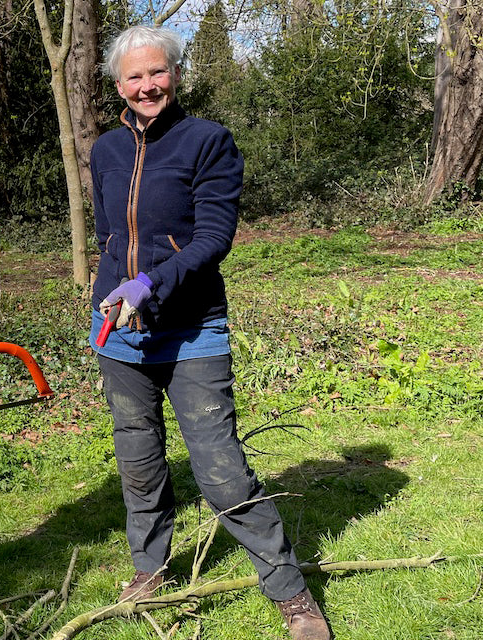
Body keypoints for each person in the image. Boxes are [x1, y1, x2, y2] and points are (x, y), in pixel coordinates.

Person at [88, 26, 330, 640]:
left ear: (175, 74)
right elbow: (109, 237)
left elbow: (212, 239)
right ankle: (151, 569)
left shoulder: (208, 142)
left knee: (221, 470)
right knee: (138, 459)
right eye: (134, 77)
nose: (147, 86)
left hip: (192, 329)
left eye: (157, 72)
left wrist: (149, 285)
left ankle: (291, 591)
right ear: (118, 85)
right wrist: (116, 289)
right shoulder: (106, 151)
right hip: (120, 331)